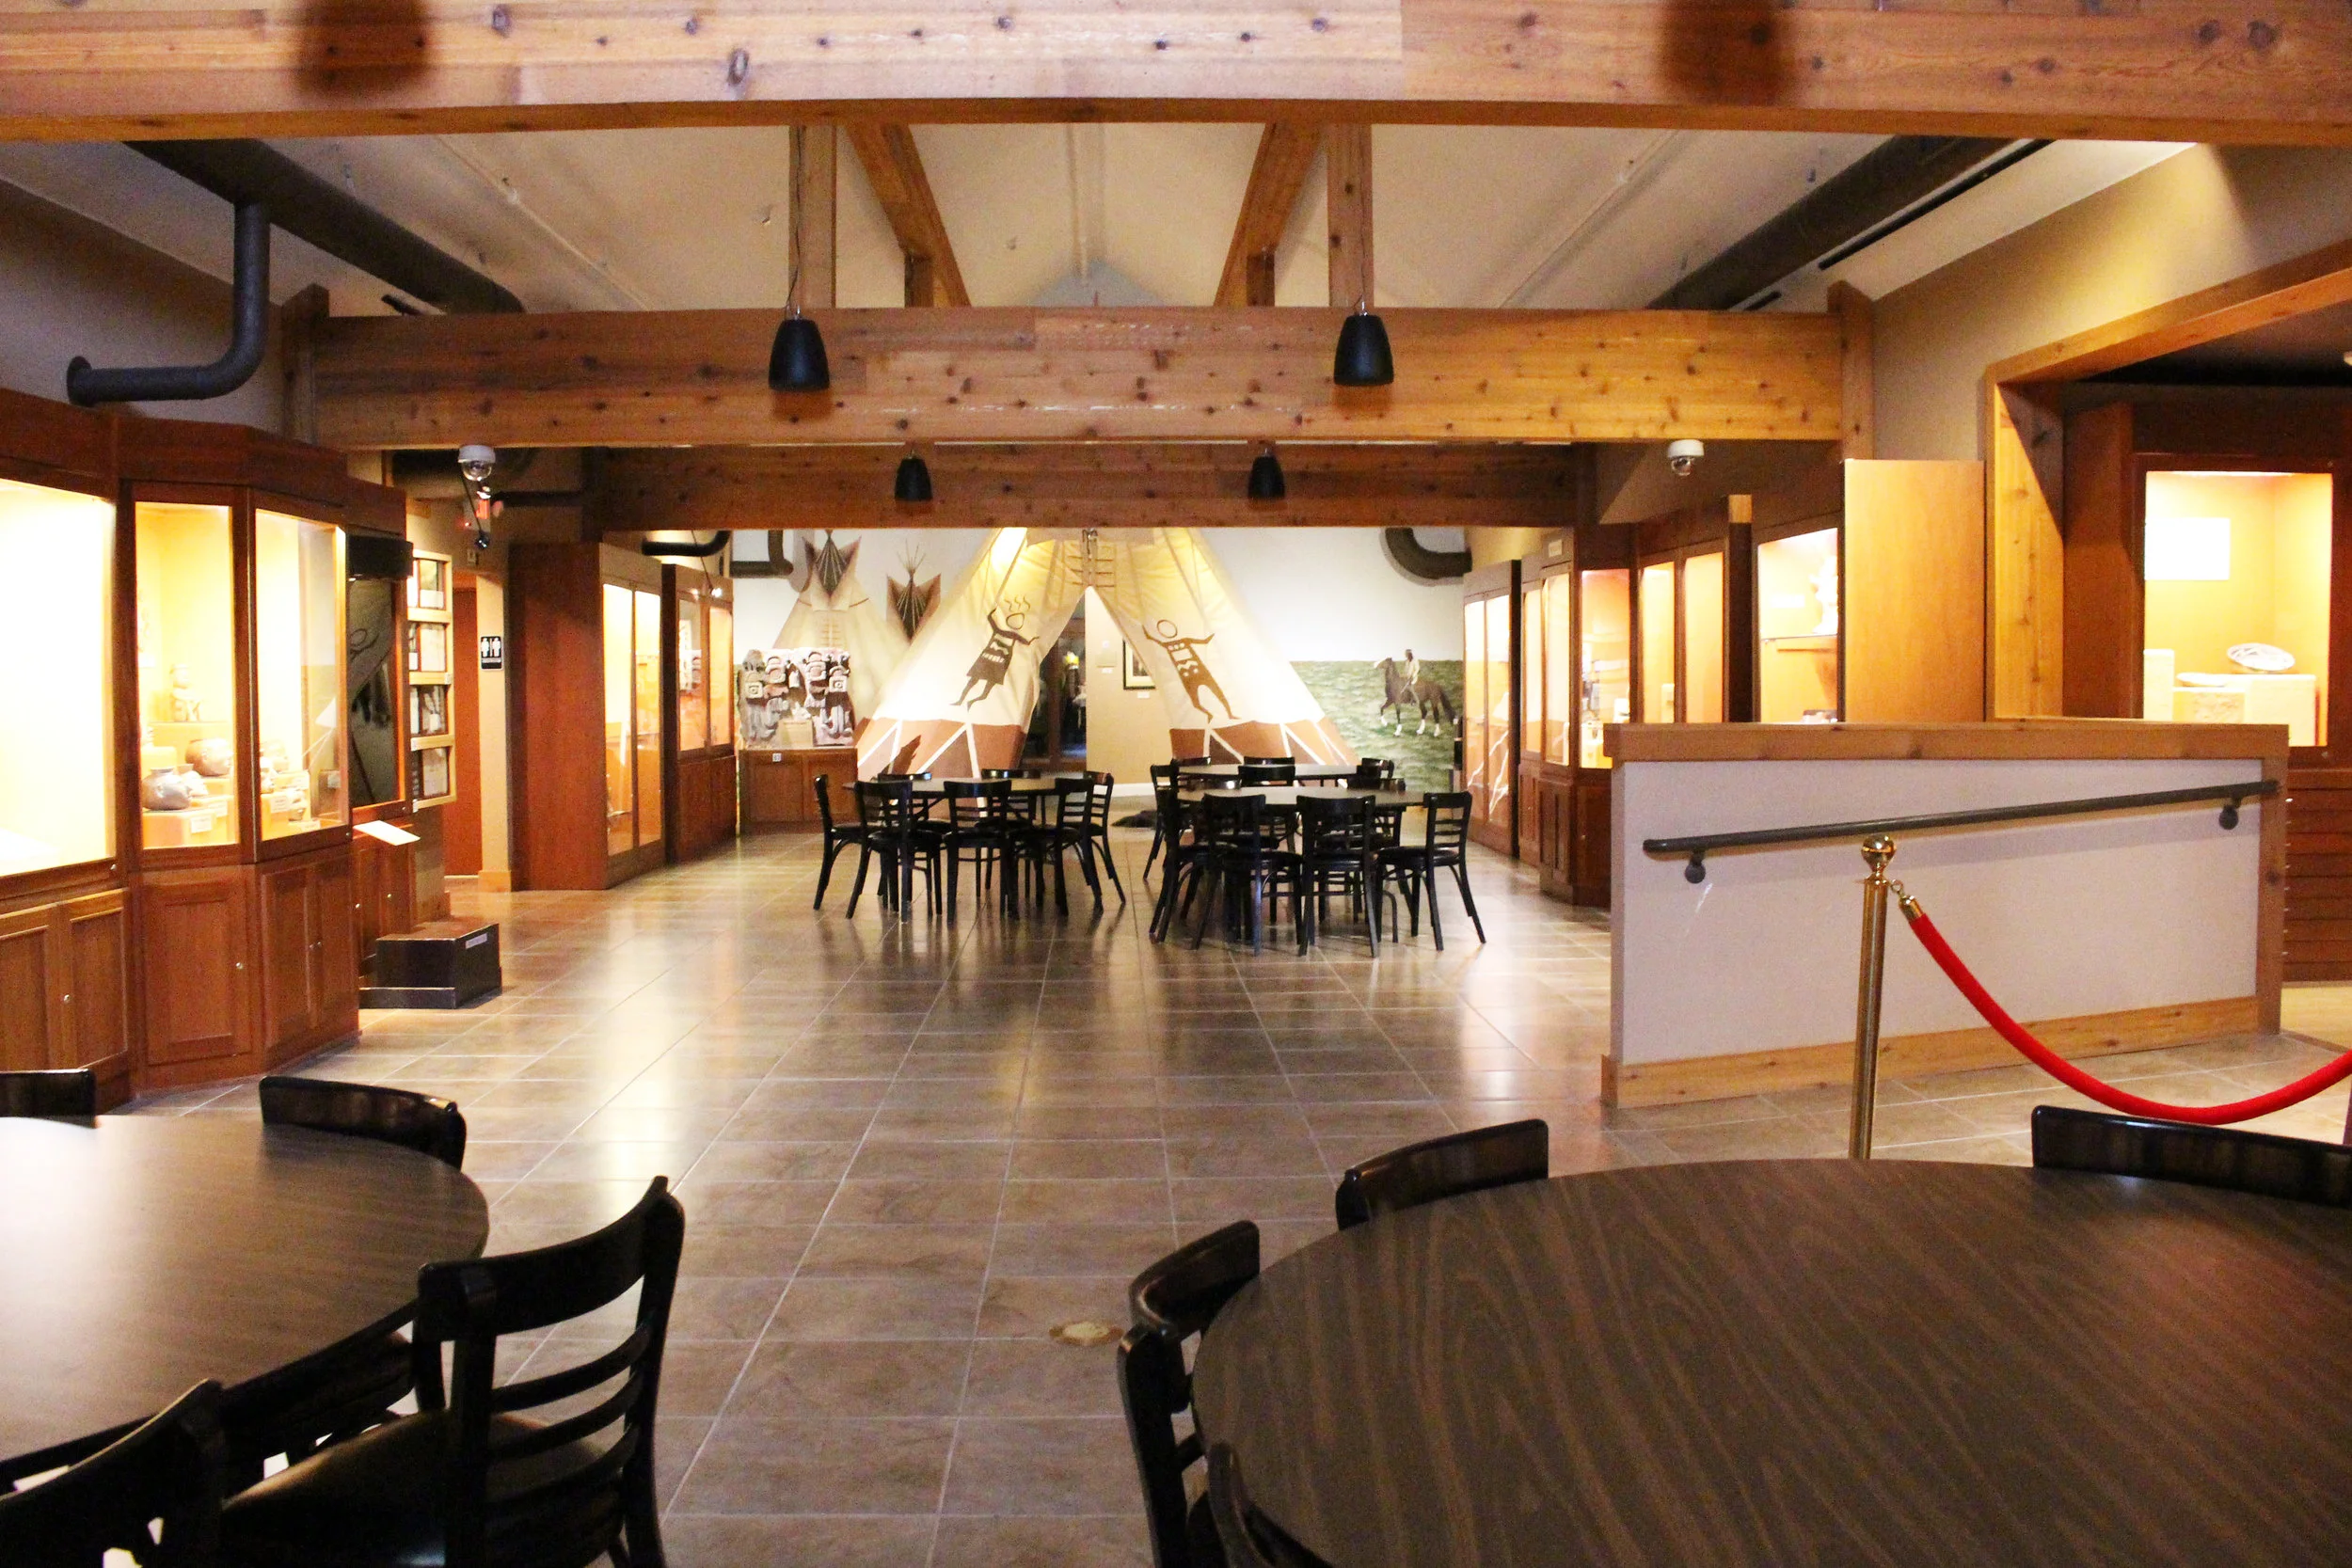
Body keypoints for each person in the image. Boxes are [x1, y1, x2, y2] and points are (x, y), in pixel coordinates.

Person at [1150, 620, 1233, 720]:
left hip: (1201, 673)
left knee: (1220, 695)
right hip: (1187, 678)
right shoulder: (1168, 645)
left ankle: (1229, 714)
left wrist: (1214, 632)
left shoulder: (1184, 641)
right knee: (1196, 704)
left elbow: (1205, 641)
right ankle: (1209, 715)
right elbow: (1154, 640)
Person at [957, 604, 1036, 707]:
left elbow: (1027, 642)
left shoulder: (1008, 634)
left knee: (981, 689)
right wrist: (993, 611)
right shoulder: (1008, 634)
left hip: (994, 663)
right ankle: (962, 701)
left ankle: (968, 701)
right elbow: (1027, 642)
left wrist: (992, 612)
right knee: (975, 685)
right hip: (989, 661)